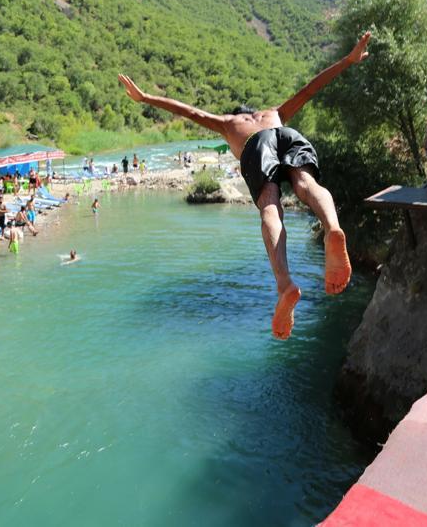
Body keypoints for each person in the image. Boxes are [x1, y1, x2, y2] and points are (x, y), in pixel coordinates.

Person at [118, 32, 370, 340]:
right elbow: (309, 90)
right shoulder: (274, 112)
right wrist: (349, 59)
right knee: (305, 182)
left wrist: (145, 98)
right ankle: (332, 226)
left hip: (256, 147)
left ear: (235, 115)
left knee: (270, 205)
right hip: (286, 132)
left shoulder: (229, 124)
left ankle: (284, 284)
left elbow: (189, 111)